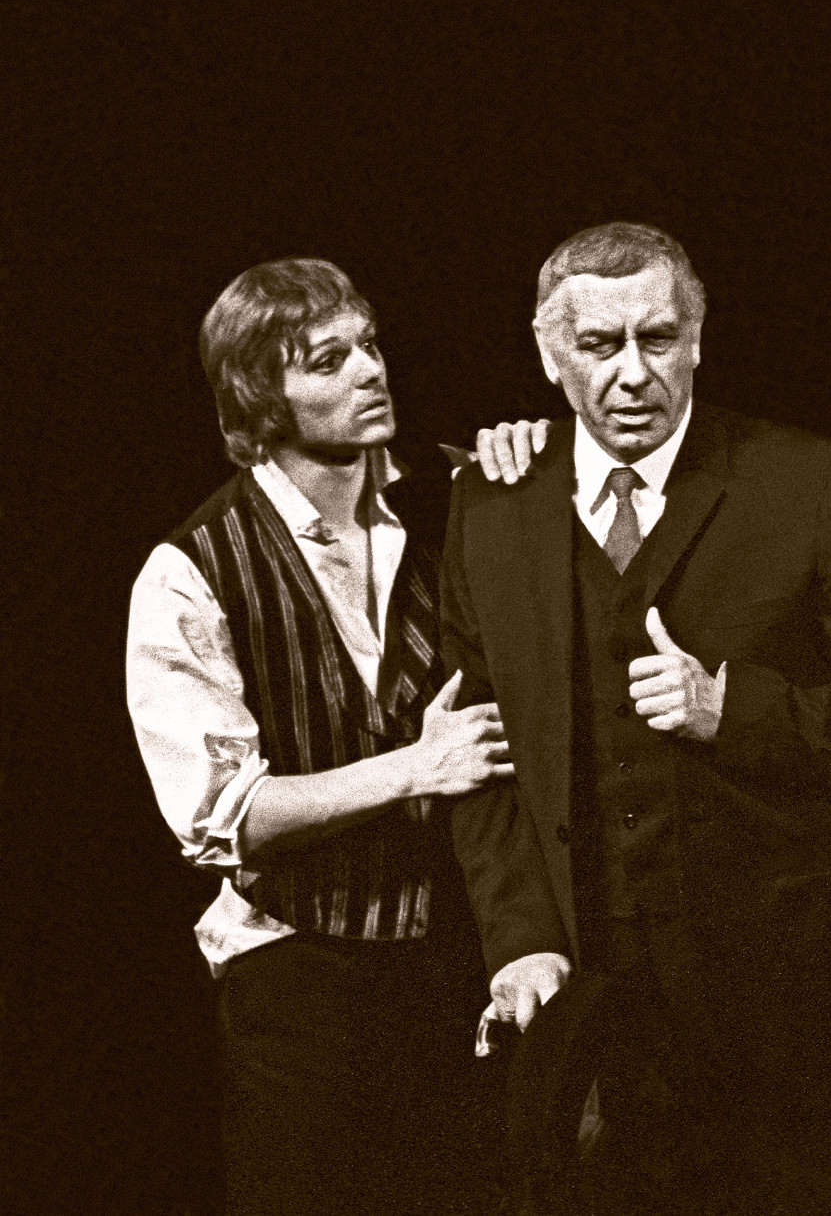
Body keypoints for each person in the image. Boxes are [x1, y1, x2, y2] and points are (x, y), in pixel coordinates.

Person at [441, 222, 831, 1215]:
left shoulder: (811, 481)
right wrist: (518, 938)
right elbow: (479, 752)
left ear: (698, 339)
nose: (633, 373)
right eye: (599, 345)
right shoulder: (493, 503)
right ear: (550, 355)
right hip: (589, 994)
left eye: (658, 338)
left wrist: (734, 709)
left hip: (781, 997)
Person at [125, 257, 546, 1216]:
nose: (370, 370)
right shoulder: (193, 569)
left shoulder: (452, 496)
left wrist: (531, 461)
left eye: (370, 344)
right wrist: (416, 767)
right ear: (259, 397)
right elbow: (224, 818)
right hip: (302, 976)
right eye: (328, 360)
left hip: (460, 954)